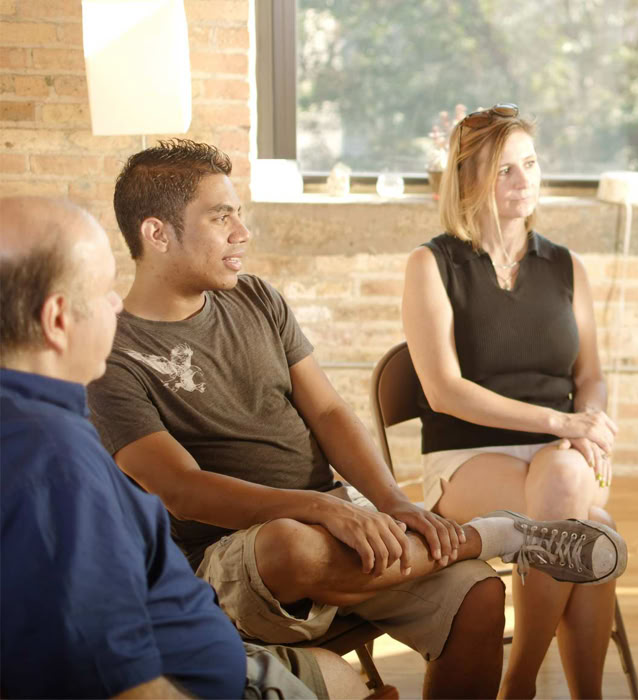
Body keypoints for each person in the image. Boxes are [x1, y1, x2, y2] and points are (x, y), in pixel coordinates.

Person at [85, 139, 627, 699]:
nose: (242, 233)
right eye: (221, 217)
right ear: (157, 234)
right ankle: (493, 534)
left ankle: (476, 540)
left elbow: (328, 411)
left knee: (480, 595)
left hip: (340, 525)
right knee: (288, 546)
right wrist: (320, 508)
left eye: (239, 214)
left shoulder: (256, 299)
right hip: (239, 559)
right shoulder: (112, 354)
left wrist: (392, 502)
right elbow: (183, 489)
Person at [0, 195, 372, 699]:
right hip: (203, 682)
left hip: (218, 655)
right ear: (58, 320)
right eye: (103, 291)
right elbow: (118, 680)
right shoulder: (56, 462)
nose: (116, 305)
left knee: (335, 674)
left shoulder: (38, 424)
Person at [401, 103, 626, 698]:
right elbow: (443, 391)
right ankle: (536, 685)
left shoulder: (566, 266)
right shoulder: (432, 264)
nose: (524, 180)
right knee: (594, 534)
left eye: (530, 163)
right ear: (467, 179)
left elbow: (591, 375)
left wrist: (590, 421)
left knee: (567, 487)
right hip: (465, 459)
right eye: (504, 169)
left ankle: (523, 683)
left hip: (561, 453)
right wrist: (561, 420)